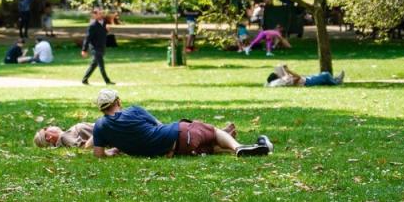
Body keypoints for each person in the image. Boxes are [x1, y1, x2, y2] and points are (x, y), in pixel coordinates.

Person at [91, 89, 272, 158]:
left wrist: (112, 151)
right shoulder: (134, 110)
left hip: (176, 151)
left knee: (208, 146)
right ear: (118, 101)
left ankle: (237, 144)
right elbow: (159, 125)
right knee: (212, 131)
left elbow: (98, 154)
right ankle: (238, 147)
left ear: (101, 109)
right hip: (179, 134)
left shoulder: (100, 126)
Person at [81, 8, 113, 85]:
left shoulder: (103, 23)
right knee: (101, 64)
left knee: (94, 65)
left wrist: (107, 31)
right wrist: (84, 50)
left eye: (102, 13)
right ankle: (107, 81)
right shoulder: (92, 25)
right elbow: (87, 38)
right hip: (95, 48)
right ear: (94, 15)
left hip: (102, 47)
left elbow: (102, 34)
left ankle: (84, 79)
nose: (101, 15)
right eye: (99, 13)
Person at [266, 64, 344, 87]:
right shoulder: (283, 81)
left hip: (306, 79)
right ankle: (336, 82)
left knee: (323, 76)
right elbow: (297, 77)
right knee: (325, 75)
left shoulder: (282, 80)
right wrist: (288, 70)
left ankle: (335, 79)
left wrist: (286, 71)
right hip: (307, 82)